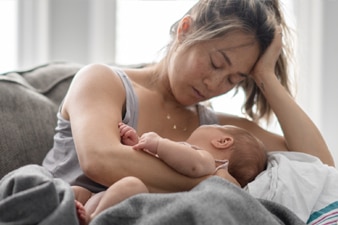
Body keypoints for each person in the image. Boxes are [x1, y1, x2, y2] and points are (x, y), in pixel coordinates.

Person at [42, 0, 334, 215]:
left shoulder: (216, 130)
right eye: (216, 63)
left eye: (235, 78)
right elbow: (100, 159)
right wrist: (213, 180)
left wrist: (266, 78)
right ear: (185, 30)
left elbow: (320, 170)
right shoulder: (103, 81)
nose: (215, 83)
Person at [72, 122, 267, 224]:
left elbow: (193, 165)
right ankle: (79, 211)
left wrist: (158, 143)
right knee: (78, 191)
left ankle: (93, 219)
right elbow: (155, 164)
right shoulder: (183, 154)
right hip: (107, 196)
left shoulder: (208, 161)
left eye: (219, 126)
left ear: (222, 141)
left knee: (133, 184)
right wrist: (135, 143)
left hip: (130, 200)